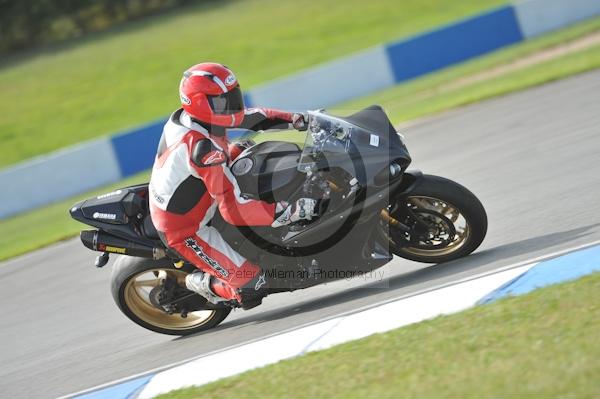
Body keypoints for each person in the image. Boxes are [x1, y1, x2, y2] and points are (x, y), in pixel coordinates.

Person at [148, 62, 317, 309]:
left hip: (199, 188)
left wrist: (299, 120)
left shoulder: (196, 117)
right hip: (186, 227)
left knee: (252, 152)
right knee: (252, 286)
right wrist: (286, 211)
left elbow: (254, 117)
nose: (230, 107)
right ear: (199, 103)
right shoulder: (202, 150)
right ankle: (193, 284)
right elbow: (233, 209)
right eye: (221, 102)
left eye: (232, 97)